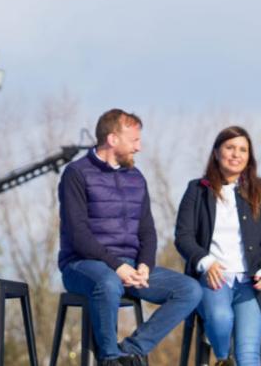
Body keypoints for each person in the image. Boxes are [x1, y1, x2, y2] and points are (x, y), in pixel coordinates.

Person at [58, 109, 201, 366]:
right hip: (82, 265)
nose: (139, 147)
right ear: (113, 139)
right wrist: (118, 266)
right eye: (134, 140)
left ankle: (131, 351)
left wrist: (145, 265)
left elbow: (147, 230)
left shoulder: (136, 178)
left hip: (130, 267)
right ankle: (109, 358)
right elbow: (78, 235)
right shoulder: (76, 174)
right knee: (109, 283)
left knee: (189, 290)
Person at [175, 126, 261, 366]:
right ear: (216, 153)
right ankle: (224, 359)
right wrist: (206, 261)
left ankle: (231, 359)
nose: (236, 154)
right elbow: (183, 236)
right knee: (220, 318)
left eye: (243, 150)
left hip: (249, 284)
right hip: (213, 279)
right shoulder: (197, 190)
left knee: (249, 353)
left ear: (249, 157)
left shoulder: (260, 190)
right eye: (230, 148)